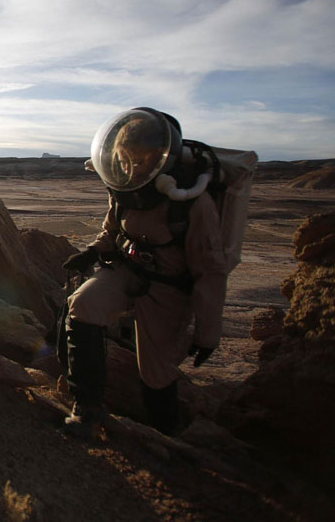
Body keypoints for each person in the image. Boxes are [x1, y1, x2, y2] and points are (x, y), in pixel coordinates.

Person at [58, 107, 227, 437]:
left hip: (167, 287)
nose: (131, 167)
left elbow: (210, 270)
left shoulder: (191, 202)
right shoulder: (124, 191)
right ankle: (87, 408)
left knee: (155, 371)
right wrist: (93, 252)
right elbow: (111, 231)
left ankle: (167, 434)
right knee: (83, 305)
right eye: (125, 158)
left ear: (161, 158)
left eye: (141, 159)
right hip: (125, 268)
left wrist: (208, 333)